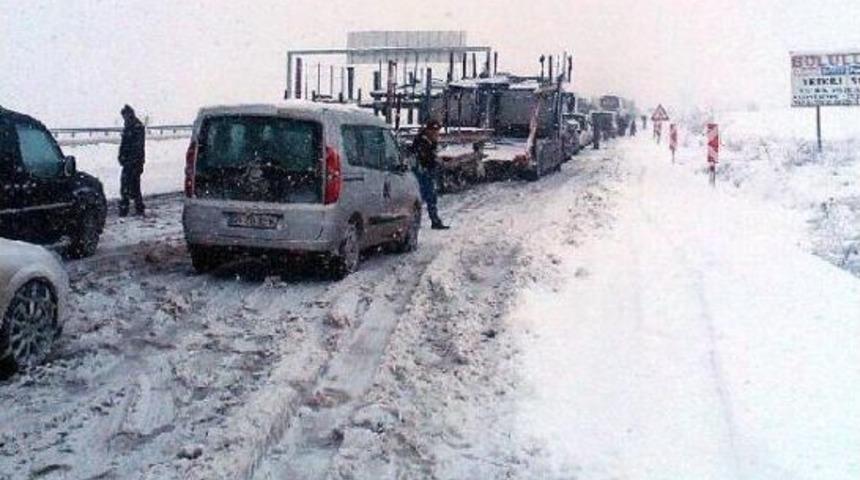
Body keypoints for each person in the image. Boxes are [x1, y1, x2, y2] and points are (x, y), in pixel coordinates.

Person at [411, 119, 449, 230]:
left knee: (428, 197)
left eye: (437, 132)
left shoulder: (426, 140)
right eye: (435, 131)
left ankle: (432, 220)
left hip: (425, 171)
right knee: (426, 197)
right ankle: (426, 221)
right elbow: (425, 157)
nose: (436, 134)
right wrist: (435, 160)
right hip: (423, 172)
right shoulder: (423, 141)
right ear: (429, 130)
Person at [118, 104, 146, 216]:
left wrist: (130, 159)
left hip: (134, 162)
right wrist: (121, 156)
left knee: (131, 185)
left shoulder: (136, 127)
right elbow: (124, 144)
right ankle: (135, 207)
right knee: (131, 185)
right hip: (130, 162)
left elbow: (137, 147)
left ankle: (129, 208)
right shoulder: (130, 126)